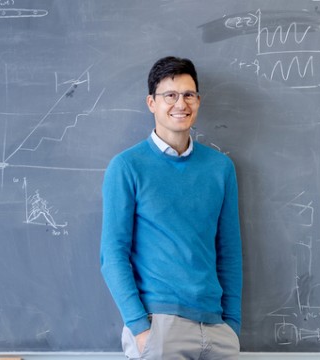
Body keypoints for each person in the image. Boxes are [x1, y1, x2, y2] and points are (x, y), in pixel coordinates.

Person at [100, 56, 242, 359]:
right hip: (160, 326)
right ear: (152, 103)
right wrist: (140, 329)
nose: (181, 103)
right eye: (170, 95)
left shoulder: (221, 168)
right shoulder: (127, 166)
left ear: (199, 101)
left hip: (216, 329)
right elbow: (112, 254)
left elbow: (229, 251)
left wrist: (232, 325)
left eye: (188, 95)